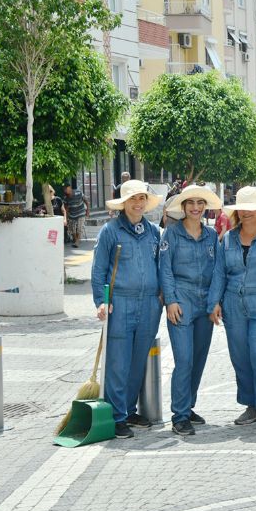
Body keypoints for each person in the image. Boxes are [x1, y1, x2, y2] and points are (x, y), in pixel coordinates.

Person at [208, 187, 256, 431]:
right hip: (234, 305)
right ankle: (253, 407)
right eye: (243, 208)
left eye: (252, 208)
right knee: (240, 357)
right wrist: (214, 302)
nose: (247, 212)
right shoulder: (228, 238)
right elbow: (219, 272)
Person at [92, 180, 163, 439]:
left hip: (149, 304)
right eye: (133, 198)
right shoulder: (110, 231)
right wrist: (101, 300)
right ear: (123, 203)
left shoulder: (154, 232)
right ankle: (116, 416)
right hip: (120, 302)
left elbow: (161, 266)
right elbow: (99, 269)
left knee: (137, 361)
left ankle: (129, 409)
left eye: (142, 198)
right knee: (118, 362)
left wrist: (165, 294)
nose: (138, 203)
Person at [159, 185, 221, 436]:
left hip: (205, 304)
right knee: (184, 359)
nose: (195, 207)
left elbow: (218, 271)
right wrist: (171, 300)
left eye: (200, 203)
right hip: (181, 303)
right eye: (190, 203)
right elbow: (165, 269)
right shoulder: (171, 235)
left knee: (198, 360)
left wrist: (215, 302)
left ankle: (189, 405)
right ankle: (180, 415)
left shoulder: (212, 236)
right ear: (183, 207)